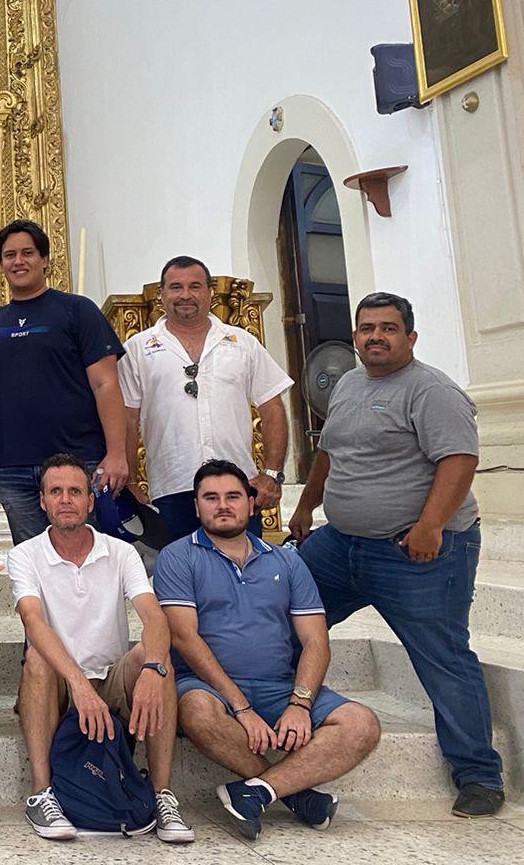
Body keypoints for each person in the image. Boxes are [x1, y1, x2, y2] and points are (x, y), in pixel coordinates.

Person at [290, 292, 505, 817]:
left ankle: (479, 775)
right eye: (366, 328)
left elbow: (459, 459)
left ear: (410, 336)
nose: (375, 337)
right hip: (341, 546)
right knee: (282, 617)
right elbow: (329, 452)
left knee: (444, 658)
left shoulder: (431, 390)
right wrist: (305, 507)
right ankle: (286, 729)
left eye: (388, 328)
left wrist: (430, 526)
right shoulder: (347, 384)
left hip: (418, 553)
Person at [155, 461, 381, 840]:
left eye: (232, 496)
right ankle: (296, 795)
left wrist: (300, 704)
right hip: (208, 688)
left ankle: (258, 791)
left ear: (251, 502)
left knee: (362, 725)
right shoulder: (178, 557)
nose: (222, 505)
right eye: (211, 498)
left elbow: (315, 641)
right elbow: (184, 638)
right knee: (196, 711)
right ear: (196, 506)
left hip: (277, 687)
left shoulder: (287, 561)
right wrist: (241, 707)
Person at [7, 455, 192, 842]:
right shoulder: (24, 555)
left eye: (75, 491)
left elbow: (154, 617)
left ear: (91, 501)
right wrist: (77, 684)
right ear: (42, 502)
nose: (66, 500)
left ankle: (162, 795)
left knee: (157, 661)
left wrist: (152, 669)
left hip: (109, 677)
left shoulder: (120, 552)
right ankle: (41, 794)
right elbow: (33, 622)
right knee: (37, 659)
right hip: (61, 683)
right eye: (55, 492)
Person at [120, 256, 291, 541]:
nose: (185, 295)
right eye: (176, 287)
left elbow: (272, 407)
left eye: (195, 286)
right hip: (172, 488)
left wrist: (272, 473)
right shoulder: (138, 348)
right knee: (180, 579)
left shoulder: (242, 343)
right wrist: (131, 482)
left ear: (210, 292)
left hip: (238, 487)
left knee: (243, 574)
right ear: (161, 294)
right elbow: (126, 418)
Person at [0, 220, 127, 545]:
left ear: (45, 259)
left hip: (77, 460)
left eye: (27, 253)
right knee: (35, 568)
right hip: (15, 467)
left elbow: (106, 384)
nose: (18, 261)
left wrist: (116, 453)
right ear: (1, 264)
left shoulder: (78, 310)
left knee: (86, 562)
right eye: (9, 255)